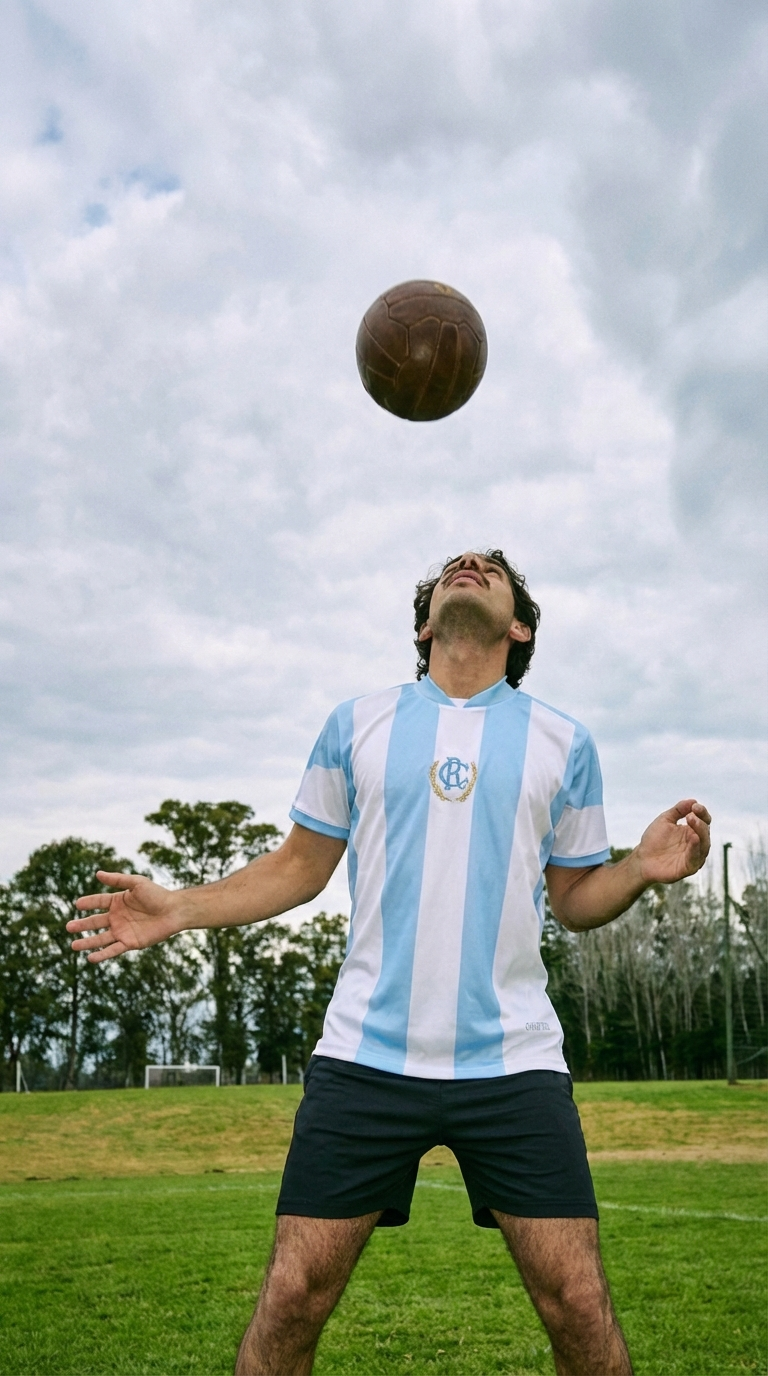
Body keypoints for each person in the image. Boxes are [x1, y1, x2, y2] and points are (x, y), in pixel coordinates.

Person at [69, 549, 711, 1376]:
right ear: (424, 625)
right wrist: (182, 906)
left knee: (579, 1306)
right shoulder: (357, 723)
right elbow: (299, 867)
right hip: (366, 1060)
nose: (469, 564)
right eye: (453, 566)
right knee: (292, 1296)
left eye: (490, 567)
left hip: (511, 1063)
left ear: (519, 626)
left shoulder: (565, 741)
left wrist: (638, 870)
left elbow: (575, 899)